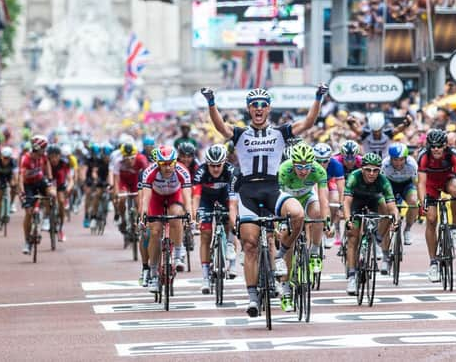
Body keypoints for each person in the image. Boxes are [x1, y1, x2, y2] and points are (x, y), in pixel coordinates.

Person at [201, 84, 328, 317]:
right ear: (249, 109)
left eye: (263, 105)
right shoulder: (240, 134)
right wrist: (211, 102)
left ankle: (280, 256)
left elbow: (308, 123)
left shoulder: (280, 132)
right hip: (247, 190)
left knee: (298, 214)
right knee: (249, 245)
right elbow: (220, 126)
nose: (258, 108)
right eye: (254, 105)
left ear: (269, 108)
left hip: (272, 188)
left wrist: (318, 97)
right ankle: (252, 298)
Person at [278, 142, 330, 310]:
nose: (303, 170)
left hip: (307, 198)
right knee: (288, 242)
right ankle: (286, 290)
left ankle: (314, 251)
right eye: (299, 166)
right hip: (287, 201)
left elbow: (323, 199)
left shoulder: (319, 171)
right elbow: (276, 200)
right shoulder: (283, 170)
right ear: (292, 163)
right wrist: (279, 223)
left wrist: (327, 220)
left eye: (307, 166)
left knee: (316, 213)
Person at [417, 129, 456, 283]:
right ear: (429, 146)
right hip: (430, 186)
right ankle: (433, 262)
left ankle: (454, 227)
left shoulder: (453, 155)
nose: (436, 149)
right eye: (433, 146)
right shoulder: (423, 156)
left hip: (447, 180)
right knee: (432, 220)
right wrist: (423, 202)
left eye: (439, 146)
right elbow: (421, 183)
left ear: (445, 146)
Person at [342, 153, 400, 294]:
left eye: (375, 170)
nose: (372, 173)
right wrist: (348, 219)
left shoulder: (383, 181)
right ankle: (351, 276)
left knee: (387, 211)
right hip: (356, 202)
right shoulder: (354, 177)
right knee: (353, 238)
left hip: (374, 200)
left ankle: (378, 239)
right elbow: (346, 202)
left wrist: (396, 219)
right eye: (368, 170)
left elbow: (392, 206)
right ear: (362, 169)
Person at [140, 145, 194, 292]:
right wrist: (143, 214)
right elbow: (145, 197)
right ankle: (153, 273)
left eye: (171, 163)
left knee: (177, 214)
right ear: (158, 163)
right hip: (155, 198)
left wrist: (190, 215)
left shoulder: (182, 171)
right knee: (155, 231)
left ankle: (177, 255)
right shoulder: (150, 172)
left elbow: (188, 197)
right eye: (164, 164)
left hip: (173, 197)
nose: (168, 167)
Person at [192, 144, 238, 294]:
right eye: (212, 166)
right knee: (205, 235)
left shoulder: (231, 171)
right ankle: (205, 277)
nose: (216, 169)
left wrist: (235, 222)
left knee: (231, 222)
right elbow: (196, 197)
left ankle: (230, 248)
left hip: (225, 197)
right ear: (207, 164)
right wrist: (194, 217)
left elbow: (233, 204)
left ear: (224, 163)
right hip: (206, 199)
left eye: (219, 165)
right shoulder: (201, 172)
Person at [19, 135, 56, 255]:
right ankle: (27, 241)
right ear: (37, 149)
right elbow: (20, 177)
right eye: (43, 150)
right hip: (28, 185)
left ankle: (46, 217)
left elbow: (47, 165)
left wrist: (50, 179)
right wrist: (22, 192)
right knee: (28, 212)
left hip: (40, 181)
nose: (44, 152)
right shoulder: (26, 159)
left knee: (52, 194)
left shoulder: (43, 156)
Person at [381, 142, 419, 246]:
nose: (398, 163)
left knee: (414, 202)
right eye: (395, 160)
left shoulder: (412, 164)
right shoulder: (385, 164)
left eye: (401, 159)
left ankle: (407, 230)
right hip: (390, 185)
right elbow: (381, 185)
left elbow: (417, 183)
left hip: (407, 185)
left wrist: (421, 200)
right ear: (390, 158)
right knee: (385, 205)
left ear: (406, 158)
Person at [313, 142, 345, 247]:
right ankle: (318, 228)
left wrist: (340, 206)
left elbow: (341, 188)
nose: (322, 164)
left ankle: (328, 228)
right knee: (318, 202)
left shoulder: (336, 165)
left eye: (325, 161)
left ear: (330, 159)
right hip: (314, 183)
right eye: (318, 161)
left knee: (334, 200)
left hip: (328, 183)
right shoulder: (310, 165)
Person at [47, 144, 74, 242]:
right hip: (49, 184)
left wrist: (69, 187)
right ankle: (46, 217)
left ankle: (61, 228)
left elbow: (70, 179)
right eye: (52, 156)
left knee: (61, 202)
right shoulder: (46, 163)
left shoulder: (64, 163)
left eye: (56, 156)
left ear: (60, 156)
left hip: (60, 185)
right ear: (48, 156)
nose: (54, 159)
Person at [0, 146, 19, 230]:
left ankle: (12, 203)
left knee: (14, 186)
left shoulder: (13, 162)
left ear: (10, 157)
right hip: (0, 177)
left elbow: (16, 176)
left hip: (10, 176)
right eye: (4, 158)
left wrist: (15, 183)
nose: (5, 160)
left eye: (7, 158)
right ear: (1, 156)